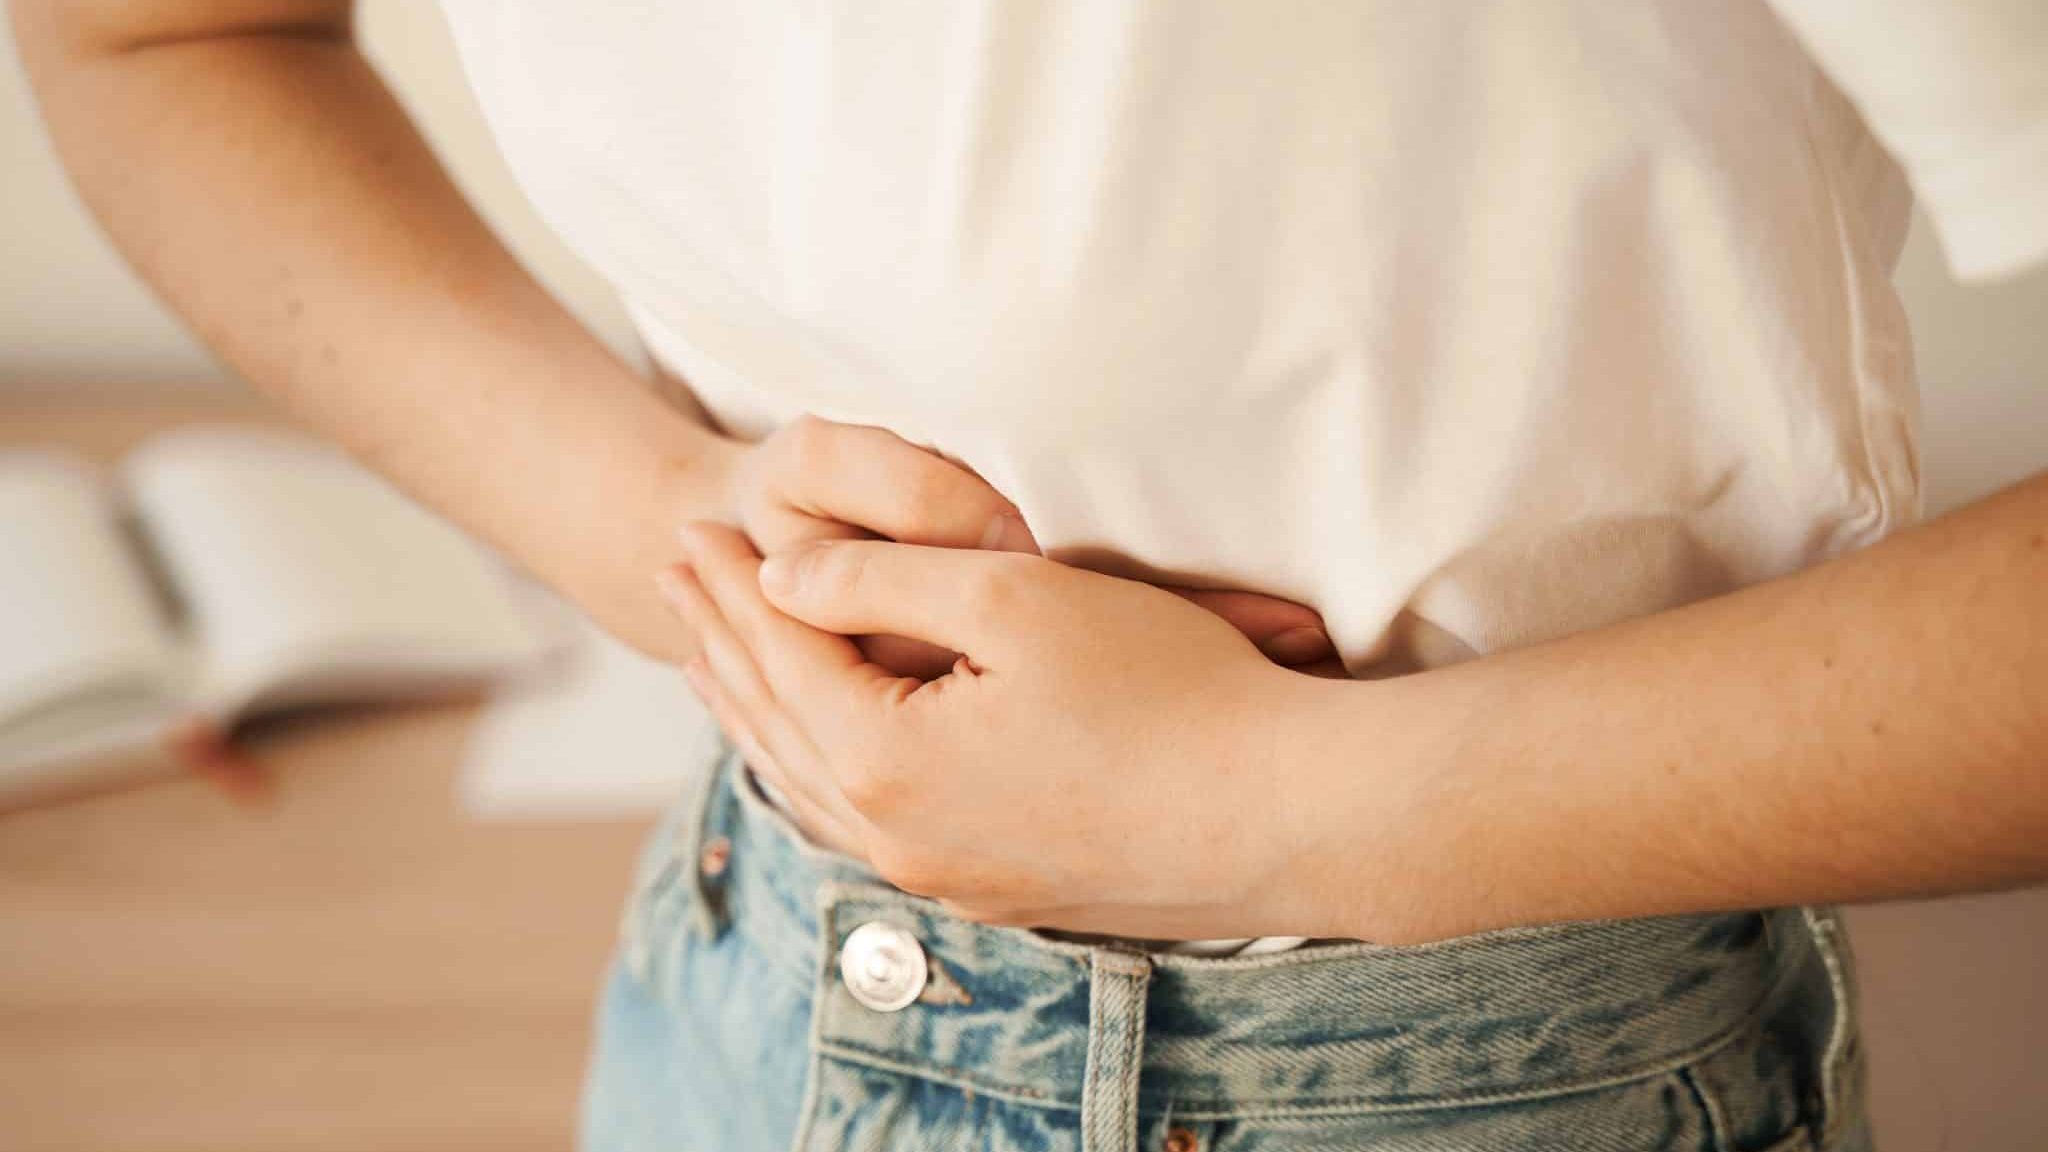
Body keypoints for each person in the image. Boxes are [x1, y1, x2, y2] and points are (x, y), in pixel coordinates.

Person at [17, 1, 2046, 1148]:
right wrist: (683, 545)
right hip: (748, 985)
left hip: (1480, 1079)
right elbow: (159, 36)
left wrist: (1262, 812)